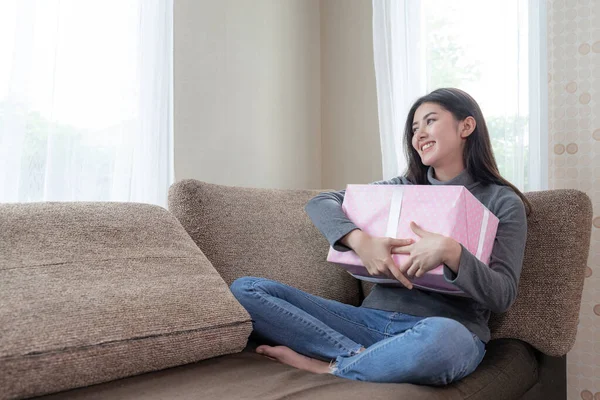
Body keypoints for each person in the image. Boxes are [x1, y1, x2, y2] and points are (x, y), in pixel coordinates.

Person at [230, 88, 531, 385]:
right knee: (247, 290)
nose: (419, 135)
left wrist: (453, 252)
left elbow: (502, 294)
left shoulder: (502, 202)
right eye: (414, 129)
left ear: (466, 126)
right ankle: (362, 357)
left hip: (445, 329)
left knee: (446, 340)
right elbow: (321, 203)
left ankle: (331, 368)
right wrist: (363, 243)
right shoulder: (399, 188)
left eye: (430, 121)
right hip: (367, 323)